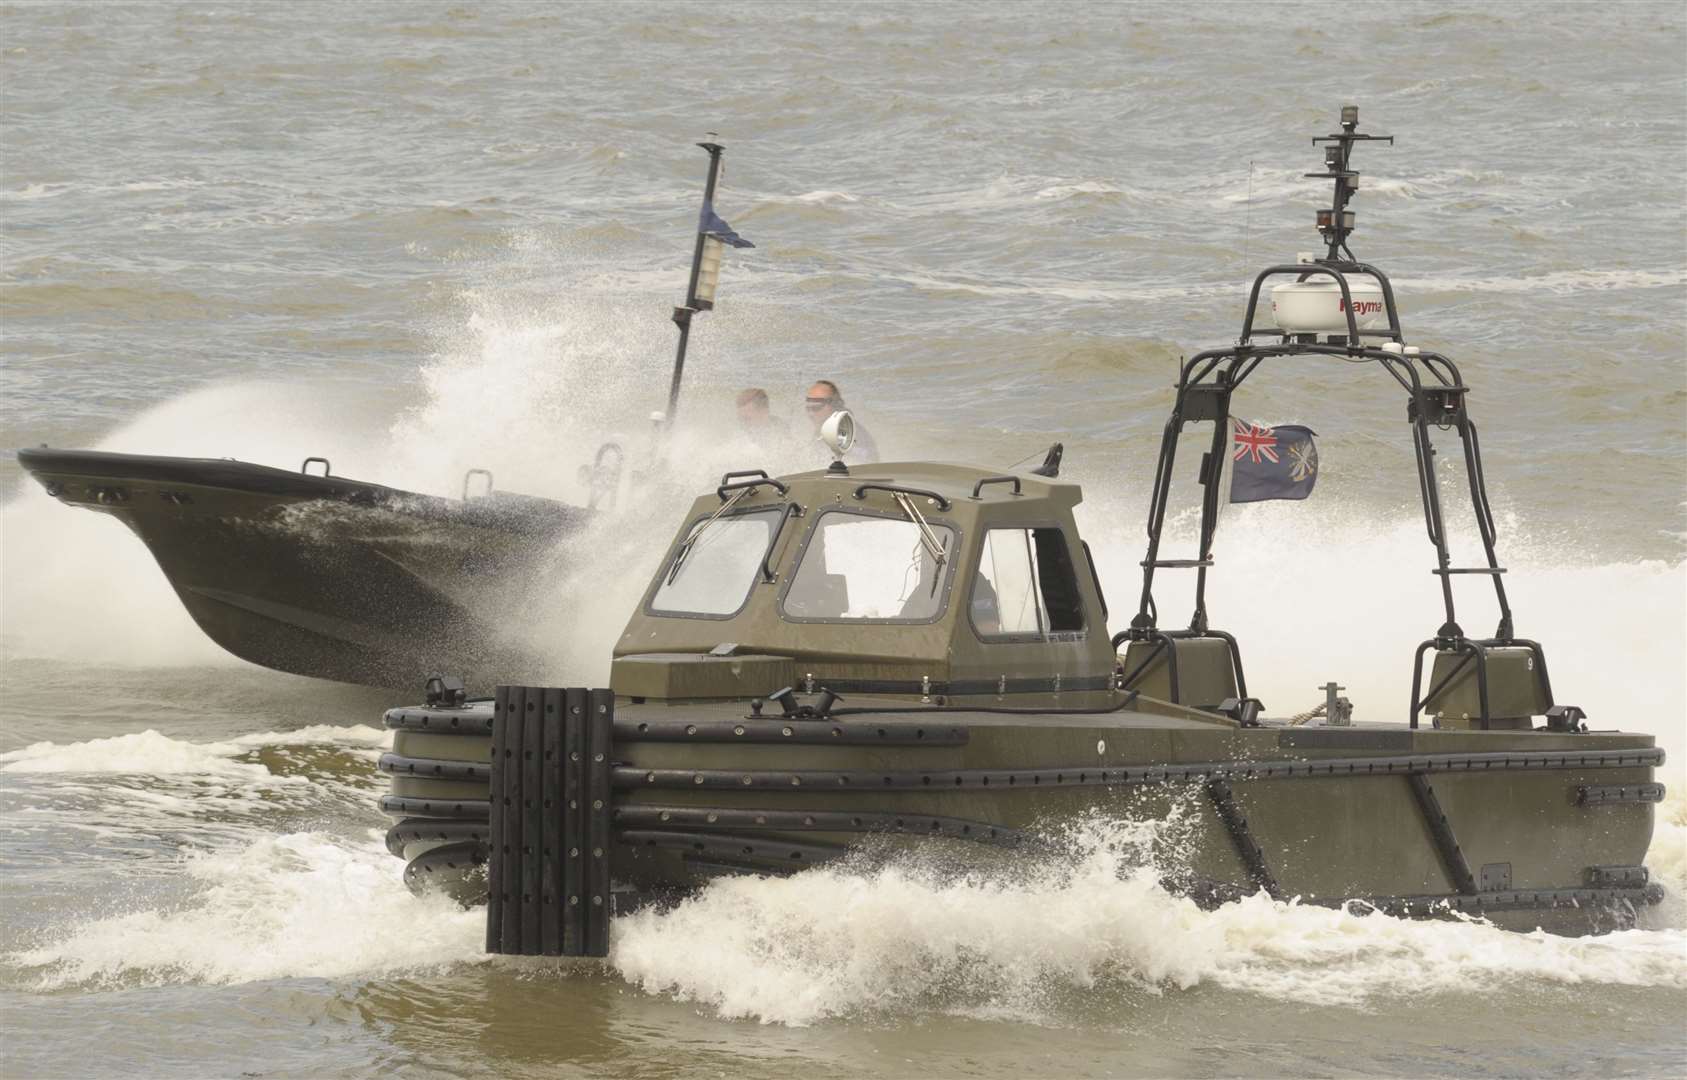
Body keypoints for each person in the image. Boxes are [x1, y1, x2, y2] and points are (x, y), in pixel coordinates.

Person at [803, 379, 880, 464]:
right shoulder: (823, 431)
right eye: (808, 408)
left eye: (816, 407)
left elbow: (865, 466)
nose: (811, 414)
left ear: (834, 405)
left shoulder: (853, 435)